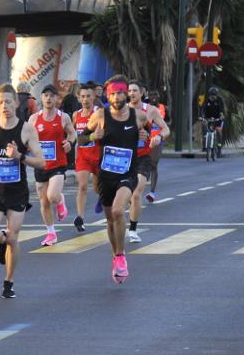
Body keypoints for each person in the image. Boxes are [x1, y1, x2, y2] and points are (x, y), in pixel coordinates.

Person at [0, 83, 46, 298]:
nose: (4, 106)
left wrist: (19, 157)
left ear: (17, 103)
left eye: (9, 102)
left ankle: (8, 282)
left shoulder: (26, 129)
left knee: (14, 238)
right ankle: (1, 241)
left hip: (17, 192)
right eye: (1, 102)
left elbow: (41, 162)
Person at [84, 74, 153, 284]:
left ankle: (122, 255)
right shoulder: (99, 115)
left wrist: (147, 137)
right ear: (108, 95)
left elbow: (150, 133)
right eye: (112, 94)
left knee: (117, 211)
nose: (116, 97)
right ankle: (115, 255)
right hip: (105, 176)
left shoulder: (138, 116)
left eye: (120, 93)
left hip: (127, 174)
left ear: (126, 94)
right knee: (110, 220)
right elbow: (80, 138)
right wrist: (92, 137)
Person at [30, 84, 75, 246]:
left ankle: (60, 200)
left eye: (52, 95)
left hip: (58, 163)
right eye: (46, 95)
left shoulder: (63, 117)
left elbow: (72, 132)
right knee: (44, 202)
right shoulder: (34, 118)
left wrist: (69, 142)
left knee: (53, 196)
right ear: (41, 98)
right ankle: (51, 233)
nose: (48, 98)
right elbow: (27, 137)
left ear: (57, 99)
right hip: (40, 164)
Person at [126, 80, 169, 242]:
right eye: (129, 91)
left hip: (143, 156)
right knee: (126, 195)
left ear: (141, 93)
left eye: (134, 90)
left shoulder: (150, 110)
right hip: (124, 157)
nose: (131, 93)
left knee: (136, 193)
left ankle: (133, 230)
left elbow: (166, 129)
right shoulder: (121, 110)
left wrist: (158, 136)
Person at [72, 83, 100, 232]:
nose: (85, 99)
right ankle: (80, 218)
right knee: (82, 186)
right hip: (83, 157)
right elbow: (74, 134)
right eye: (82, 96)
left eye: (88, 96)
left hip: (98, 156)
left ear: (94, 96)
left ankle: (103, 197)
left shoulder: (99, 113)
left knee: (97, 188)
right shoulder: (76, 115)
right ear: (78, 98)